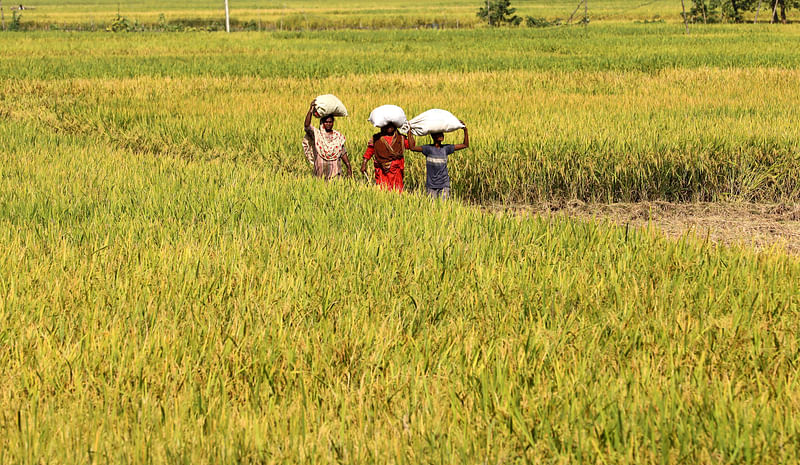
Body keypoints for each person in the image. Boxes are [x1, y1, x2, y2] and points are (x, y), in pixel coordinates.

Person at [408, 122, 469, 199]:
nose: (442, 136)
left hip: (444, 185)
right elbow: (412, 148)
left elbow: (465, 145)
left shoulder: (446, 148)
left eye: (442, 134)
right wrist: (409, 132)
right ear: (433, 136)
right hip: (431, 185)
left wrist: (465, 130)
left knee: (443, 207)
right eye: (439, 134)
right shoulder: (428, 149)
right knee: (432, 208)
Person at [303, 100, 352, 179]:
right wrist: (311, 110)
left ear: (333, 122)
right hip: (320, 173)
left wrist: (348, 166)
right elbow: (307, 126)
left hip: (335, 174)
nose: (328, 124)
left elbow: (342, 151)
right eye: (326, 122)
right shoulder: (317, 135)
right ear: (322, 122)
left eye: (330, 122)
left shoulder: (337, 136)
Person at [360, 125, 415, 192]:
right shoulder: (376, 139)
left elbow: (411, 145)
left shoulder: (400, 138)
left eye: (391, 125)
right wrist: (364, 163)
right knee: (382, 189)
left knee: (397, 190)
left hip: (396, 171)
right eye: (386, 126)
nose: (389, 128)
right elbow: (369, 151)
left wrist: (409, 133)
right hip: (381, 170)